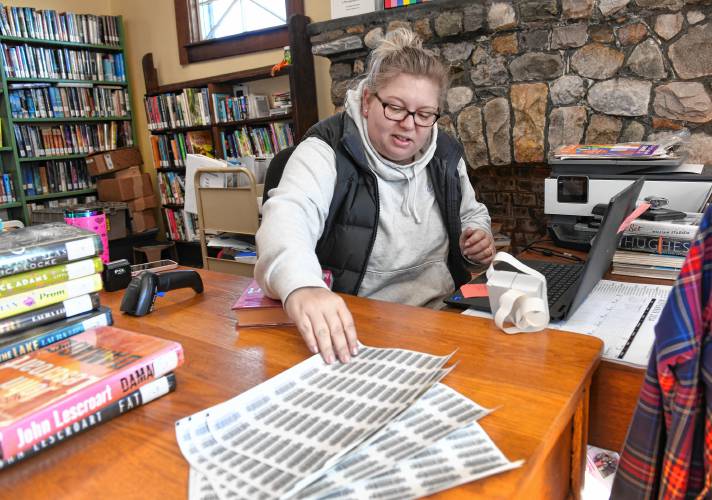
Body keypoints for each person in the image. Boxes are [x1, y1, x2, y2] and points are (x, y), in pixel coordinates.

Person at [255, 28, 495, 365]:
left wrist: (479, 236)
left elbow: (472, 212)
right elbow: (287, 218)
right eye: (395, 108)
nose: (409, 125)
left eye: (425, 115)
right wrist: (302, 287)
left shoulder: (445, 154)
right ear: (368, 101)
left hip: (445, 317)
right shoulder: (325, 151)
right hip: (360, 329)